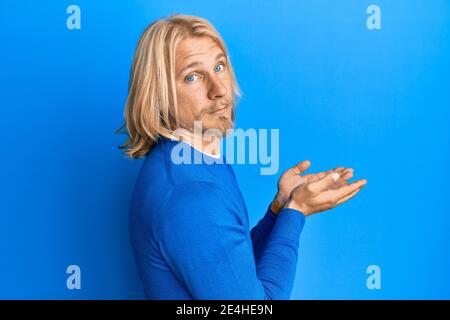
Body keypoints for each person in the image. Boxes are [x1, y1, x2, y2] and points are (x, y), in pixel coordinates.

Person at [117, 14, 367, 299]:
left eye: (219, 66)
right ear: (158, 95)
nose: (220, 90)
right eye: (192, 77)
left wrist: (279, 210)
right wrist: (296, 212)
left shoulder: (192, 159)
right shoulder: (191, 194)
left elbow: (231, 270)